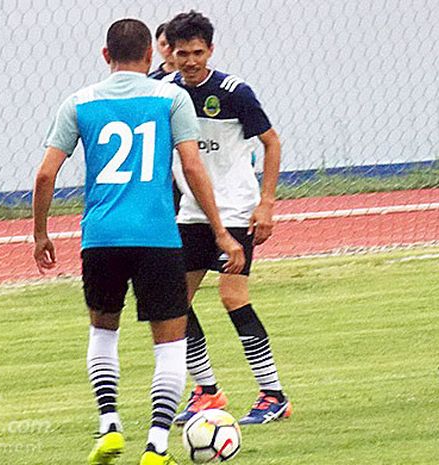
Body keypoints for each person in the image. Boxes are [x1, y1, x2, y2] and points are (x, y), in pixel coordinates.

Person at [32, 18, 244, 465]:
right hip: (158, 237)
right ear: (152, 55)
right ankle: (157, 444)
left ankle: (109, 425)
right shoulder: (171, 98)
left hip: (101, 238)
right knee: (169, 344)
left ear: (105, 56)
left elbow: (45, 173)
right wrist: (220, 231)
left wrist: (41, 233)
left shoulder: (78, 102)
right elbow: (191, 167)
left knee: (103, 332)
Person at [163, 11, 292, 425]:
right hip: (190, 212)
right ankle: (207, 391)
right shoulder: (163, 92)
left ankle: (273, 395)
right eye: (182, 53)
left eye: (198, 52)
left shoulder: (233, 92)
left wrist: (267, 203)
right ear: (171, 52)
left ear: (211, 50)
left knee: (232, 296)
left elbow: (271, 143)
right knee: (173, 303)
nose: (190, 61)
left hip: (235, 209)